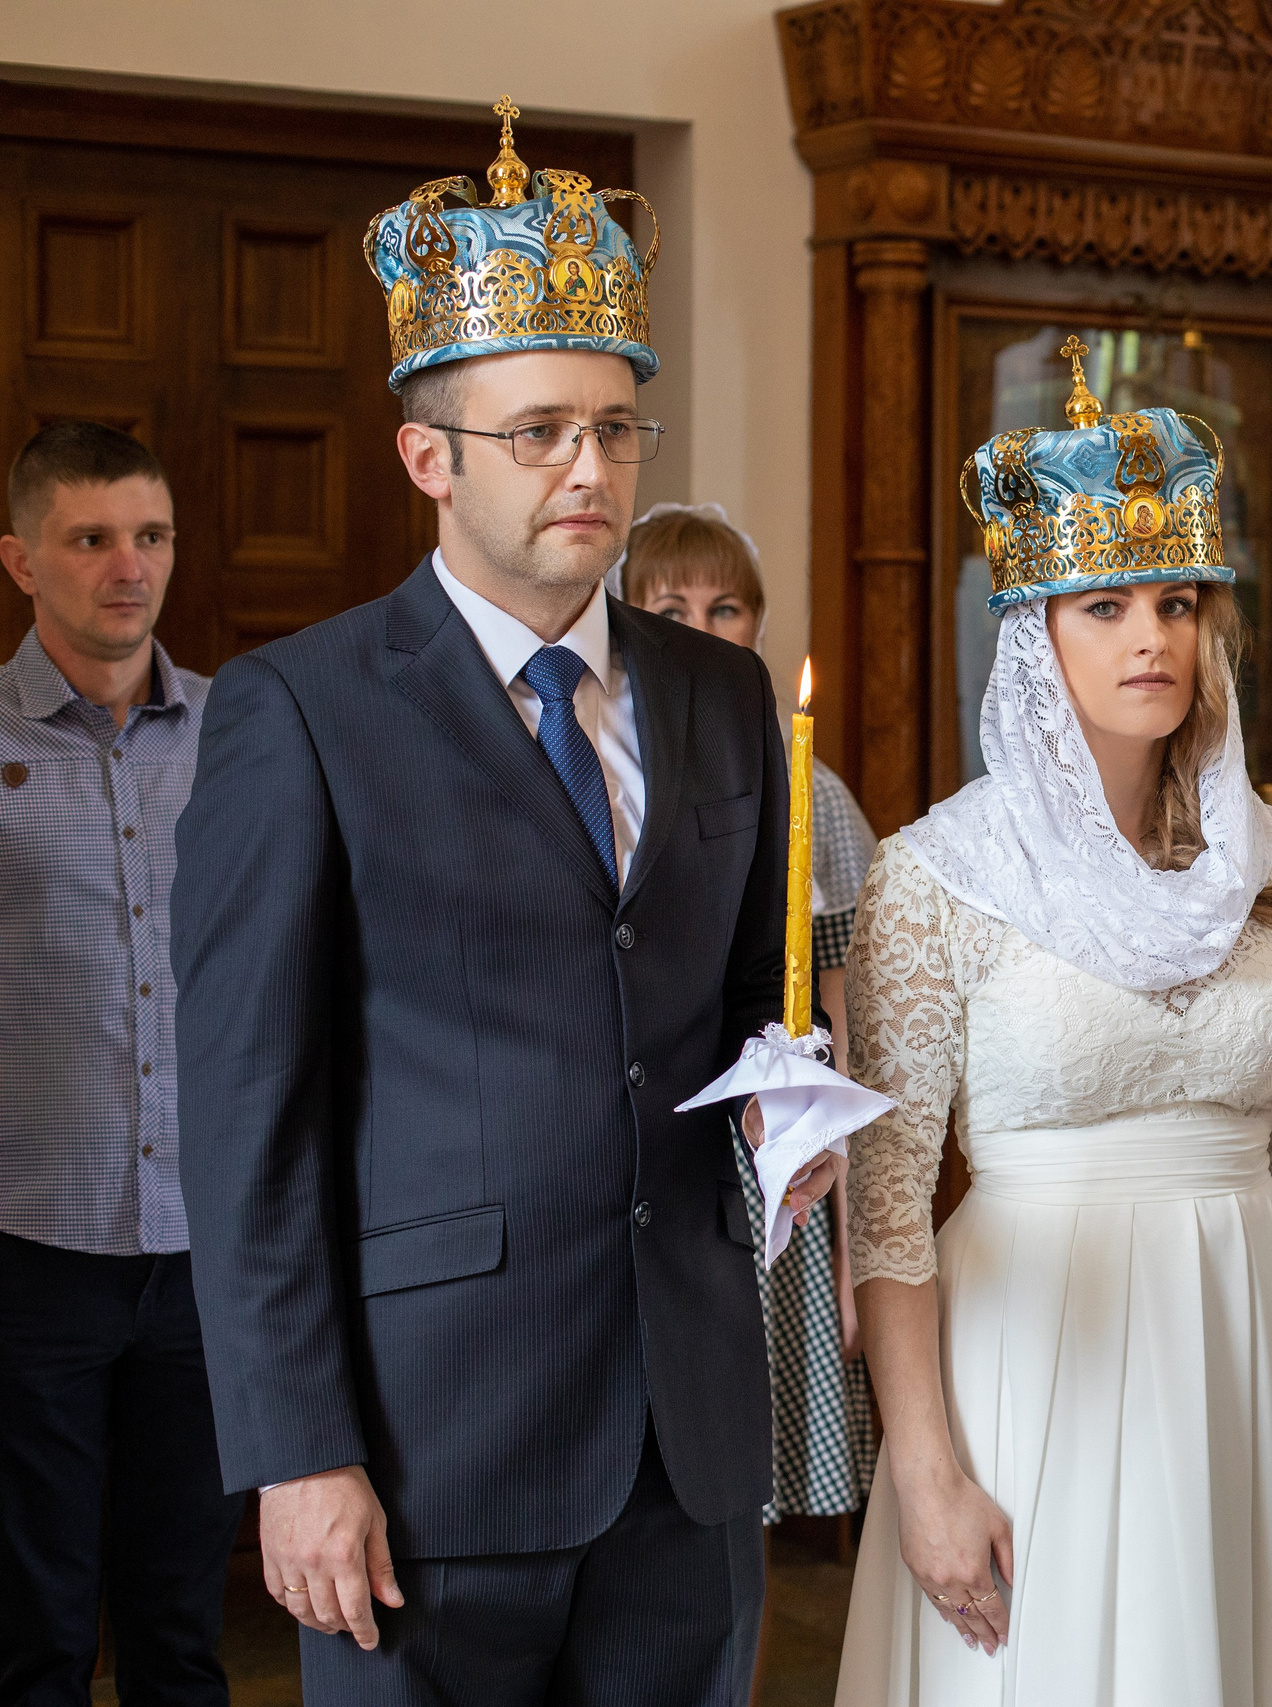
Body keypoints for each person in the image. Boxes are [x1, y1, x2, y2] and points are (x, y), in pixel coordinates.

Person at [171, 107, 836, 1704]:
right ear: (429, 457)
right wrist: (297, 1447)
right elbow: (247, 1114)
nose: (589, 469)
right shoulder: (301, 708)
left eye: (616, 428)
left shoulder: (724, 695)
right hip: (424, 1442)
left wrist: (790, 1090)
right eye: (538, 430)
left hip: (685, 1433)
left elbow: (763, 976)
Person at [834, 351, 1272, 1707]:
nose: (1154, 638)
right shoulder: (939, 870)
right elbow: (889, 1209)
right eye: (1108, 606)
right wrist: (928, 1470)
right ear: (1038, 636)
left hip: (1242, 1340)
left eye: (1178, 604)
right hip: (1034, 1361)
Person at [0, 423, 240, 1705]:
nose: (127, 568)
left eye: (148, 537)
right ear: (21, 560)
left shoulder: (240, 735)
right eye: (91, 539)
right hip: (28, 1248)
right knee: (31, 1626)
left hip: (202, 1253)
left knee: (180, 1623)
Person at [622, 500, 881, 1526]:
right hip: (644, 1156)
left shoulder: (806, 789)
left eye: (725, 607)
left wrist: (860, 1252)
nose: (698, 627)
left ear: (757, 625)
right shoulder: (599, 770)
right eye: (668, 604)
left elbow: (845, 1019)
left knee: (740, 1496)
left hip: (770, 1175)